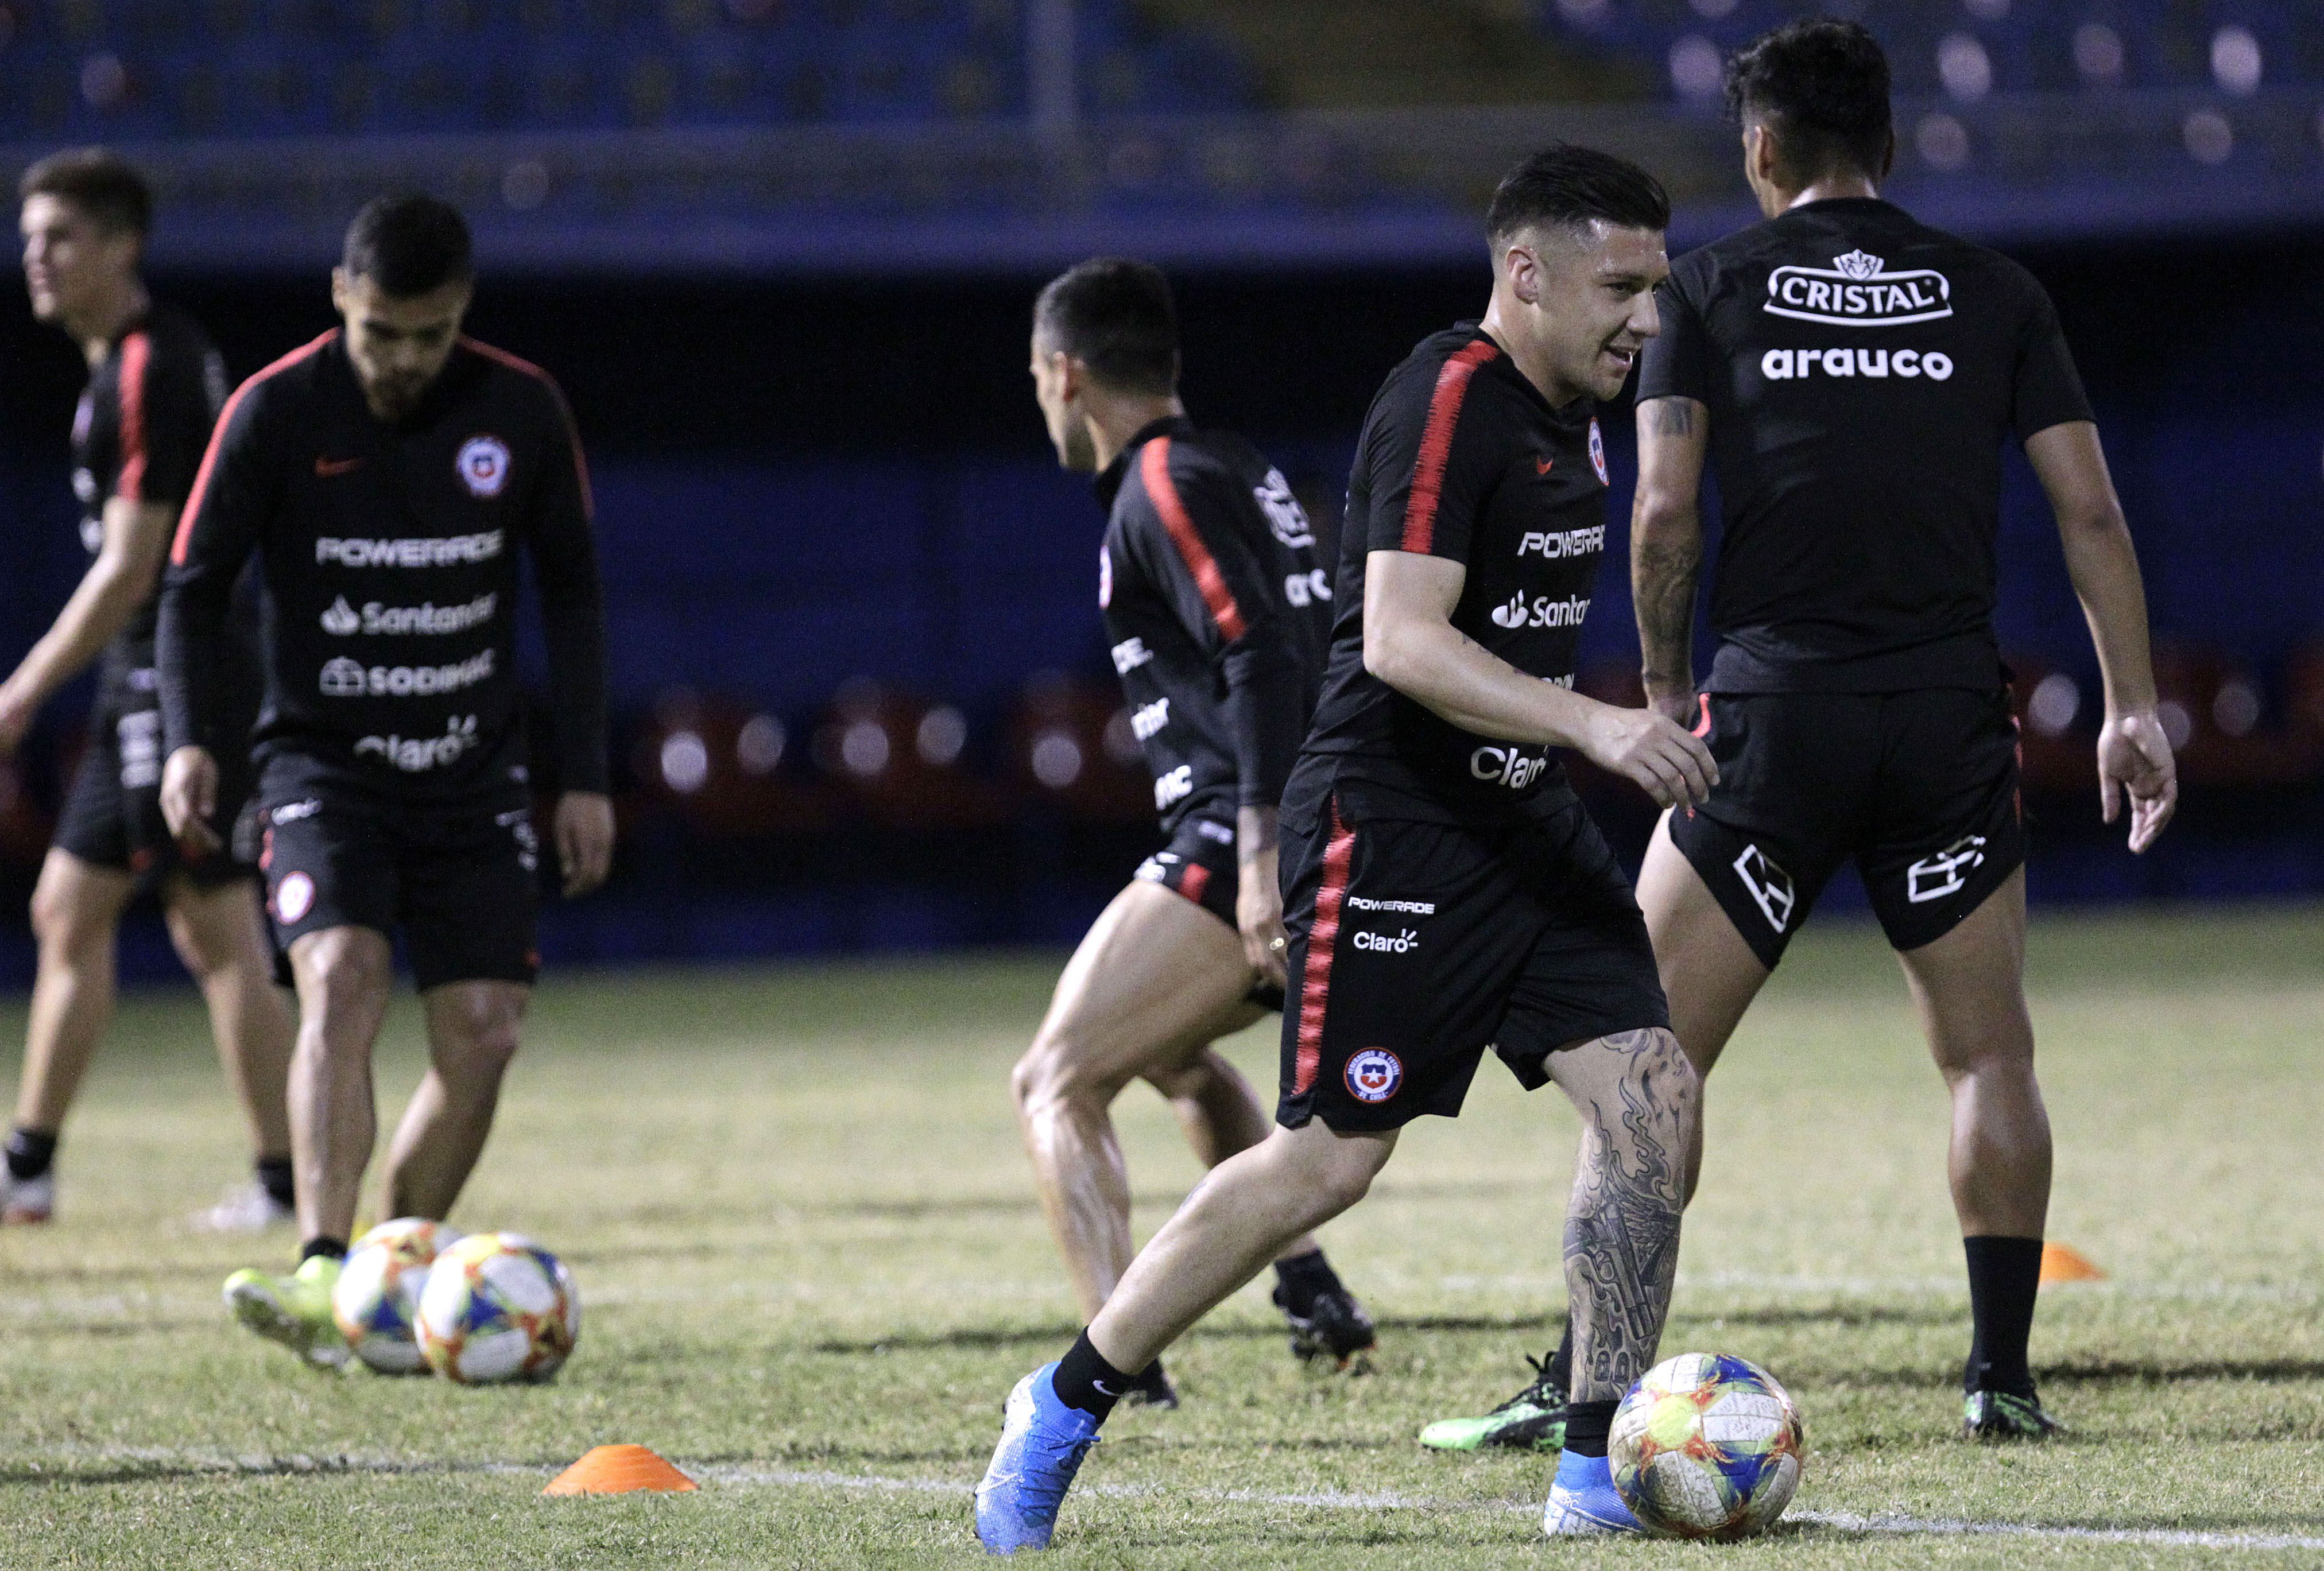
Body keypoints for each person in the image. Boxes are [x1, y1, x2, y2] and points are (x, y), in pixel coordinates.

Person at [1426, 18, 2176, 1450]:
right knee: (1986, 1058)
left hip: (1768, 720)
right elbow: (2090, 513)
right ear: (1888, 145)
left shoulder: (1702, 287)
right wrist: (2130, 704)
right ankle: (2000, 1376)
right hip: (1946, 719)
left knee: (1643, 1060)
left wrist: (1654, 691)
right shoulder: (1995, 290)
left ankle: (1584, 1376)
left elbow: (1659, 512)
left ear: (1758, 150)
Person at [975, 145, 1719, 1553]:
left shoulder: (1581, 416)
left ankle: (1586, 1471)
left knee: (1651, 1103)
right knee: (1325, 1161)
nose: (1642, 317)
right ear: (1524, 271)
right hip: (1393, 828)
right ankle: (1064, 1400)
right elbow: (1394, 641)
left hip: (1520, 822)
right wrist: (1597, 724)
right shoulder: (1447, 399)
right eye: (1618, 287)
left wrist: (1631, 717)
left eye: (1653, 289)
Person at [156, 193, 614, 1367]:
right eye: (384, 334)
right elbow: (195, 585)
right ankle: (321, 1267)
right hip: (323, 763)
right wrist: (193, 735)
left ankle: (390, 1273)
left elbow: (569, 588)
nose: (408, 360)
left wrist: (583, 773)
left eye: (433, 333)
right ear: (339, 298)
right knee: (343, 974)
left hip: (474, 774)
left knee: (484, 1031)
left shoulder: (520, 408)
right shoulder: (274, 410)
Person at [1017, 258, 1372, 1407]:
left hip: (1244, 837)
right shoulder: (1238, 464)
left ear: (1065, 374)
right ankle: (1307, 1283)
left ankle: (1117, 1372)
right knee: (1170, 1054)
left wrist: (1262, 853)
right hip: (1293, 820)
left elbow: (1263, 652)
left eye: (1036, 378)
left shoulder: (1160, 482)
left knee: (1053, 1080)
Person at [1, 149, 295, 1232]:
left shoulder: (148, 366)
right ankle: (27, 1166)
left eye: (60, 237)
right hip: (154, 669)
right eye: (30, 237)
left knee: (214, 923)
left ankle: (285, 1182)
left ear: (123, 246)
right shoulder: (126, 361)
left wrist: (22, 688)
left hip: (183, 672)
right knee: (75, 910)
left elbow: (136, 560)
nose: (36, 258)